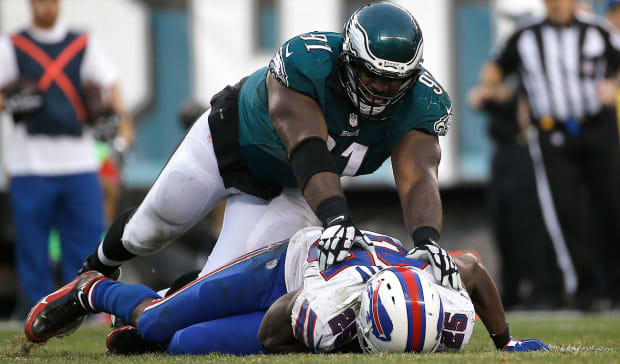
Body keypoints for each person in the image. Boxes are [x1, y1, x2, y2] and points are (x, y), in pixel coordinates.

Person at [76, 1, 461, 316]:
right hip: (228, 145)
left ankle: (145, 312)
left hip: (290, 187)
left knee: (217, 290)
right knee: (151, 228)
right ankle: (94, 271)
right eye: (371, 75)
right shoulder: (306, 62)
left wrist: (428, 240)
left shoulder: (422, 104)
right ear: (347, 60)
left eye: (393, 80)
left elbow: (419, 177)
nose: (380, 90)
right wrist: (337, 218)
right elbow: (307, 146)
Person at [24, 226, 549, 355]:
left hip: (331, 290)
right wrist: (322, 342)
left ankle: (155, 323)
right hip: (282, 272)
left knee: (180, 346)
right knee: (161, 322)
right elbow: (278, 328)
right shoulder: (330, 304)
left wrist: (504, 342)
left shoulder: (437, 298)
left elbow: (474, 271)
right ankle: (93, 288)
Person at [469, 0, 620, 309]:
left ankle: (615, 287)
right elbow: (495, 68)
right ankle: (586, 291)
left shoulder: (597, 30)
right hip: (551, 133)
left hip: (596, 129)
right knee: (564, 212)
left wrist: (613, 86)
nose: (557, 4)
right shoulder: (525, 34)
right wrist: (488, 88)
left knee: (610, 206)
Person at [0, 0, 134, 312]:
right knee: (32, 248)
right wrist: (12, 100)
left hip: (79, 162)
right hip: (29, 163)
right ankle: (37, 312)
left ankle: (88, 310)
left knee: (86, 244)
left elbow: (111, 84)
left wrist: (124, 127)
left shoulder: (82, 44)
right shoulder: (12, 45)